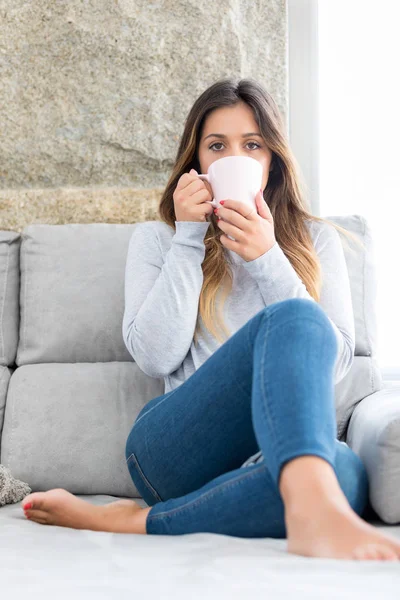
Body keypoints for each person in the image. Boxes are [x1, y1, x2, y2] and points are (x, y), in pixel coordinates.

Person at [21, 78, 400, 561]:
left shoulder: (315, 241)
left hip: (271, 454)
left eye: (252, 145)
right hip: (174, 447)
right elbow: (156, 356)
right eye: (216, 146)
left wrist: (268, 258)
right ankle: (303, 499)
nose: (232, 158)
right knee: (295, 320)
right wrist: (189, 238)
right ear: (197, 160)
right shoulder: (158, 241)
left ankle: (136, 521)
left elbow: (333, 365)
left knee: (342, 477)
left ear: (271, 161)